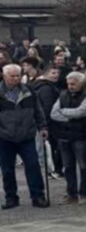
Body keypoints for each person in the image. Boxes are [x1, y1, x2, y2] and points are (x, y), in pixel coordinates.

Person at [0, 63, 49, 209]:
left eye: (18, 75)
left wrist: (43, 127)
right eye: (12, 76)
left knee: (33, 166)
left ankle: (38, 196)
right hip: (4, 137)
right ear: (3, 75)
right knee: (7, 169)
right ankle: (11, 197)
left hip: (26, 136)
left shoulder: (29, 90)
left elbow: (38, 110)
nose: (16, 78)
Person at [50, 71, 86, 205]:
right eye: (69, 83)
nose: (70, 86)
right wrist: (71, 116)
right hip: (64, 136)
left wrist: (64, 113)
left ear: (81, 84)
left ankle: (84, 194)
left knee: (84, 166)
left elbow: (81, 112)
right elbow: (53, 113)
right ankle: (71, 193)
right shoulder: (63, 94)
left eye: (73, 84)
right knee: (68, 167)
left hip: (81, 135)